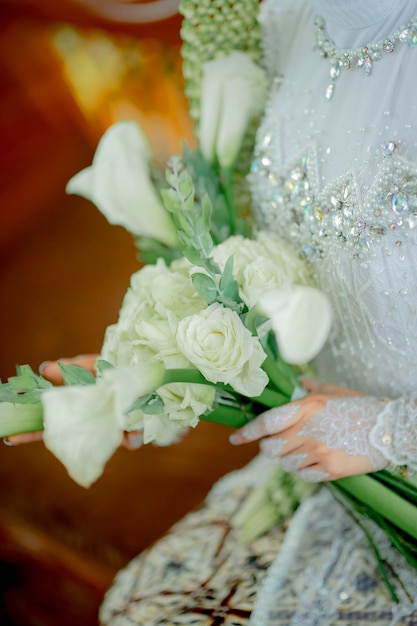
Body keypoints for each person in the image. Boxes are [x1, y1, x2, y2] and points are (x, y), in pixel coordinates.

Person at [10, 0, 417, 623]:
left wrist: (387, 432)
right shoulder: (275, 19)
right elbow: (276, 264)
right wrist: (147, 378)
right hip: (314, 438)